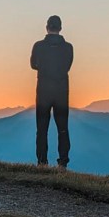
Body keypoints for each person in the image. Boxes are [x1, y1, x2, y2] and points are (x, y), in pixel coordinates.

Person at [30, 15, 73, 168]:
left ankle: (42, 162)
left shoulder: (38, 46)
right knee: (62, 128)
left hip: (43, 91)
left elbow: (33, 64)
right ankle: (63, 163)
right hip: (61, 91)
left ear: (47, 27)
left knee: (42, 129)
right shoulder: (68, 47)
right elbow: (68, 66)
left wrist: (44, 68)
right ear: (60, 28)